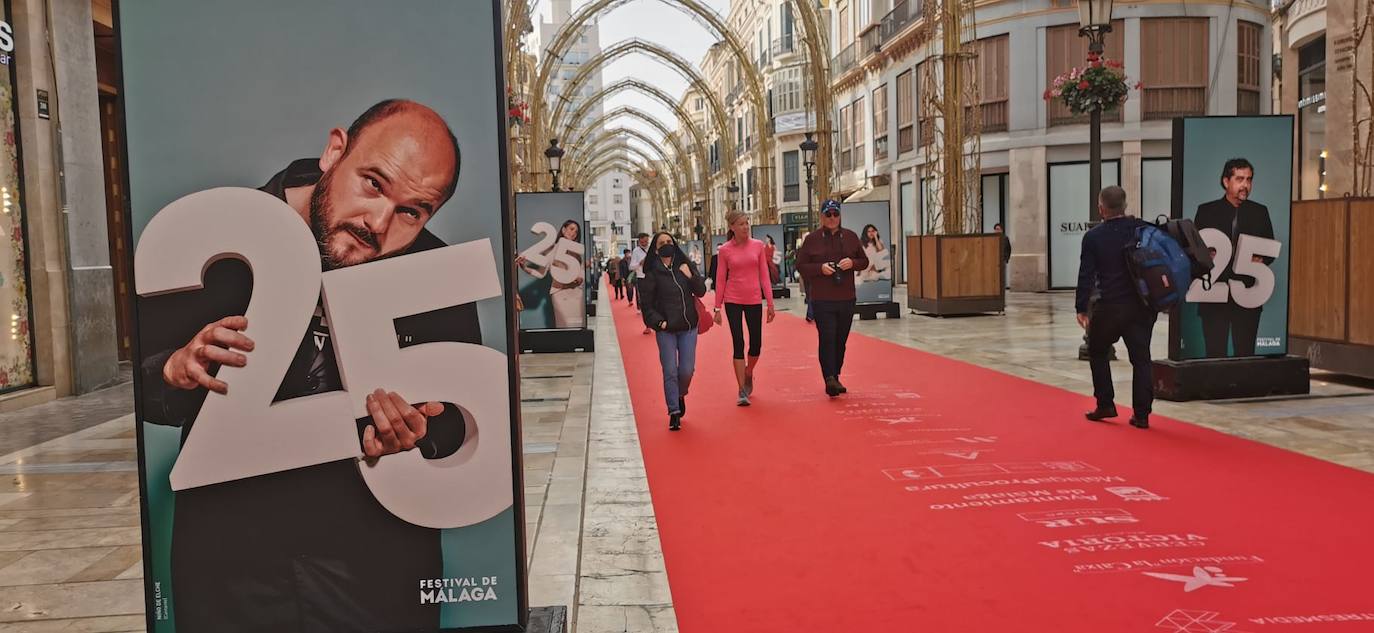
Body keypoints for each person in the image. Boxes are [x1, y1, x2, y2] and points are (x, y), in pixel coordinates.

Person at [139, 99, 472, 631]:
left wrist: (420, 429)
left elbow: (460, 421)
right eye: (373, 184)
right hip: (230, 563)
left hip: (377, 567)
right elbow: (138, 384)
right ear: (334, 150)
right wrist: (176, 369)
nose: (379, 223)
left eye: (413, 210)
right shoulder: (216, 246)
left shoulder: (441, 275)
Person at [1076, 185, 1155, 429]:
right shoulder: (1142, 229)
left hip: (1109, 306)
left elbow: (1086, 275)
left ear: (1101, 208)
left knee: (1098, 351)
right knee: (1141, 359)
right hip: (1141, 307)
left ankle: (1106, 403)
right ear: (1125, 206)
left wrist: (1081, 308)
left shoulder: (1094, 237)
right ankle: (1141, 415)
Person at [1193, 158, 1275, 358]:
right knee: (1214, 352)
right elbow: (1195, 250)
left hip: (1248, 295)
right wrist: (1207, 255)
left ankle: (1244, 390)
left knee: (1245, 353)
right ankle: (1215, 390)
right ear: (1226, 182)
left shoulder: (1260, 212)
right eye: (1239, 179)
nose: (1245, 185)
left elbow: (1269, 248)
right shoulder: (1206, 211)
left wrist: (1261, 260)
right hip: (1214, 294)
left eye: (1249, 179)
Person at [796, 199, 868, 397]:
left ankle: (836, 375)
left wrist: (852, 263)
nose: (832, 218)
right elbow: (800, 265)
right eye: (828, 214)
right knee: (827, 338)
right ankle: (829, 378)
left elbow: (864, 261)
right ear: (821, 216)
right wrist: (820, 268)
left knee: (840, 340)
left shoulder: (851, 237)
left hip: (846, 297)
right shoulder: (812, 239)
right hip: (822, 298)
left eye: (835, 214)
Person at [638, 232, 707, 431]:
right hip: (666, 329)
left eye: (669, 241)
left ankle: (679, 393)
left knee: (686, 370)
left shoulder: (685, 266)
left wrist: (690, 276)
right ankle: (674, 412)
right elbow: (647, 305)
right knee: (669, 371)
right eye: (662, 243)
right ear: (656, 248)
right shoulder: (651, 272)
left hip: (688, 327)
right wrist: (660, 323)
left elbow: (701, 291)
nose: (667, 245)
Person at [713, 211, 776, 406]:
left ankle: (749, 372)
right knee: (738, 342)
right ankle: (741, 389)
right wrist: (717, 308)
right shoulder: (725, 250)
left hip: (754, 299)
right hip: (733, 300)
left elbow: (764, 276)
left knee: (756, 344)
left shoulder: (758, 246)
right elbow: (721, 279)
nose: (745, 227)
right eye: (741, 224)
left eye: (747, 223)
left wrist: (771, 304)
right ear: (732, 227)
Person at [515, 219, 584, 328]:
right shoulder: (553, 249)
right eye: (571, 229)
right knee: (563, 325)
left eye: (576, 232)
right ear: (563, 229)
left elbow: (581, 272)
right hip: (559, 292)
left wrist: (580, 279)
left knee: (577, 326)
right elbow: (541, 274)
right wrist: (524, 267)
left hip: (576, 293)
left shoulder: (576, 251)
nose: (573, 233)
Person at [629, 233, 651, 332]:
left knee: (656, 301)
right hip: (642, 278)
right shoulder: (636, 251)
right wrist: (639, 263)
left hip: (654, 278)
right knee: (645, 303)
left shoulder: (652, 250)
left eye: (646, 241)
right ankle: (648, 325)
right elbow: (631, 267)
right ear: (639, 241)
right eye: (642, 242)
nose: (644, 243)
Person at [994, 222, 1012, 289]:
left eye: (998, 229)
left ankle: (1001, 288)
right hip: (994, 260)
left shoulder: (1005, 238)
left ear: (1001, 230)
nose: (997, 231)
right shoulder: (993, 239)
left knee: (1001, 275)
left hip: (1002, 260)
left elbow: (1008, 249)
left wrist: (1006, 259)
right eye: (996, 229)